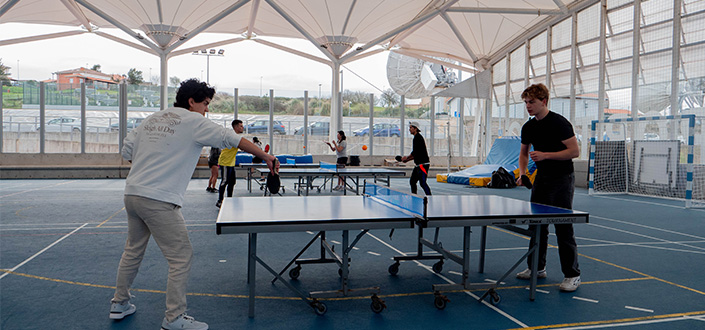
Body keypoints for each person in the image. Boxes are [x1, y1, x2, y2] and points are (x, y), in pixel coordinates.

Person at [110, 79, 278, 330]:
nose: (207, 109)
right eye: (206, 103)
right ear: (192, 101)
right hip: (159, 199)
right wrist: (265, 155)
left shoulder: (152, 119)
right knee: (181, 257)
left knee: (133, 250)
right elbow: (231, 138)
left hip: (132, 195)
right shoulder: (193, 121)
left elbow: (127, 151)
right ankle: (174, 318)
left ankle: (119, 303)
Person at [515, 83, 581, 292]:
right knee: (537, 225)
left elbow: (574, 151)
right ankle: (537, 267)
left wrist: (545, 155)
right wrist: (523, 173)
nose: (528, 106)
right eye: (526, 102)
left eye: (532, 102)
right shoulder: (529, 127)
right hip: (541, 179)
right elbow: (524, 152)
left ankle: (572, 274)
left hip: (562, 178)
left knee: (563, 226)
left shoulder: (560, 123)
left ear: (544, 101)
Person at [216, 120, 244, 208]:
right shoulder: (232, 137)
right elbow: (243, 146)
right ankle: (220, 201)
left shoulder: (236, 137)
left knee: (232, 182)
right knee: (225, 181)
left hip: (231, 162)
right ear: (235, 127)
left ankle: (229, 199)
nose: (242, 128)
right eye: (240, 126)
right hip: (225, 162)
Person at [401, 121, 432, 195]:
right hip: (418, 165)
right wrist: (407, 160)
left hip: (423, 165)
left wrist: (407, 158)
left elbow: (414, 152)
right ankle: (414, 196)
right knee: (412, 181)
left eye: (411, 128)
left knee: (422, 183)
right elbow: (417, 154)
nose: (409, 129)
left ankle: (430, 197)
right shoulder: (416, 138)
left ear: (416, 128)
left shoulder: (418, 138)